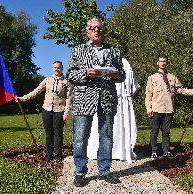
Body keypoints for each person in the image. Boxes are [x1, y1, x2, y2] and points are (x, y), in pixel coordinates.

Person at [66, 18, 125, 187]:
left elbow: (122, 75)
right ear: (87, 32)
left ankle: (105, 170)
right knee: (80, 136)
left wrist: (116, 75)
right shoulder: (78, 50)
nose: (96, 31)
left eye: (99, 28)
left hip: (106, 97)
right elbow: (70, 75)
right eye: (92, 28)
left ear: (103, 30)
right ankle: (79, 171)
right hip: (84, 98)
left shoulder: (114, 51)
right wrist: (86, 73)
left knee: (106, 136)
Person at [145, 54, 193, 160]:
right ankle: (153, 151)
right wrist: (148, 108)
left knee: (166, 132)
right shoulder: (152, 78)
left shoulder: (172, 77)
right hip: (156, 109)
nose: (163, 63)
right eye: (161, 61)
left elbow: (182, 90)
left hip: (168, 109)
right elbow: (148, 94)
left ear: (166, 63)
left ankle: (166, 151)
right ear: (157, 63)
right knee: (154, 131)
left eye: (164, 61)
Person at [87, 58, 140, 163]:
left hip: (113, 98)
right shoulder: (124, 62)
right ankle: (120, 151)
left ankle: (103, 152)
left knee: (104, 126)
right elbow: (134, 86)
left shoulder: (105, 61)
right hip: (115, 99)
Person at [16, 61, 70, 162]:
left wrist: (66, 112)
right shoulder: (47, 80)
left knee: (58, 133)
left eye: (58, 68)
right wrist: (22, 98)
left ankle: (58, 156)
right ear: (52, 68)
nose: (56, 69)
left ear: (62, 69)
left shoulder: (66, 82)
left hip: (59, 110)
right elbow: (36, 91)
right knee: (48, 133)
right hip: (47, 109)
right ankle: (48, 155)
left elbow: (69, 99)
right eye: (55, 67)